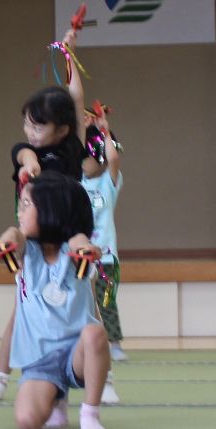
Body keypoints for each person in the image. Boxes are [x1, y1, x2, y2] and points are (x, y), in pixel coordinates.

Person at [0, 54, 92, 404]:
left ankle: (99, 374)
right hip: (35, 243)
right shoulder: (28, 152)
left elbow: (76, 100)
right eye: (27, 124)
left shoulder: (75, 147)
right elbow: (24, 155)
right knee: (21, 310)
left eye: (38, 126)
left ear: (63, 129)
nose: (30, 132)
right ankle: (0, 378)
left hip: (70, 237)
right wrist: (31, 166)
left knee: (89, 312)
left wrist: (71, 54)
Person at [0, 172, 110, 429]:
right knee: (27, 422)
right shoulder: (26, 253)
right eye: (19, 206)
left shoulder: (74, 250)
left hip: (76, 353)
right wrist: (8, 237)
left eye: (26, 206)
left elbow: (81, 241)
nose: (19, 213)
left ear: (52, 211)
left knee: (94, 333)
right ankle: (56, 398)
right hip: (40, 360)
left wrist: (87, 249)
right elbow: (16, 235)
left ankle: (90, 412)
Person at [80, 105, 128, 386]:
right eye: (87, 156)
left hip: (107, 254)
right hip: (83, 254)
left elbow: (112, 156)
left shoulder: (110, 182)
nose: (92, 161)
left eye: (96, 156)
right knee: (84, 300)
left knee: (107, 300)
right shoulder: (77, 182)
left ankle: (115, 343)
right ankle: (88, 342)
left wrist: (104, 130)